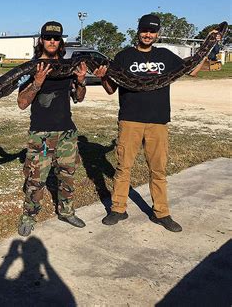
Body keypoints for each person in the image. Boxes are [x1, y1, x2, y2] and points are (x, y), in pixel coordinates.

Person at [93, 14, 206, 232]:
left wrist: (209, 47)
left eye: (152, 31)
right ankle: (118, 209)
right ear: (138, 31)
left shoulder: (165, 56)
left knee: (158, 169)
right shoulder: (124, 56)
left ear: (157, 34)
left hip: (158, 121)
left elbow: (192, 70)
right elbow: (110, 89)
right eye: (145, 30)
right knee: (123, 167)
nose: (148, 34)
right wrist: (102, 77)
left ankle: (161, 213)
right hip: (130, 120)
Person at [17, 21, 88, 237]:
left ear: (60, 41)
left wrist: (81, 81)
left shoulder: (68, 67)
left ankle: (66, 211)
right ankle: (29, 216)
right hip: (41, 134)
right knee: (35, 179)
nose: (52, 41)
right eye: (48, 37)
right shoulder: (32, 67)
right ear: (41, 40)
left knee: (67, 176)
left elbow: (78, 98)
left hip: (67, 132)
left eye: (56, 38)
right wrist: (37, 83)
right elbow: (21, 102)